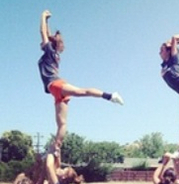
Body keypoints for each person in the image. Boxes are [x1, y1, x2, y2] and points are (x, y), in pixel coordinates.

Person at [38, 10, 124, 152]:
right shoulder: (52, 52)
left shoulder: (49, 51)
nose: (42, 42)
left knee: (81, 91)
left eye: (45, 41)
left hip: (56, 84)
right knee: (62, 124)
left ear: (50, 43)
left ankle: (110, 96)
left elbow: (43, 32)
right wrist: (47, 21)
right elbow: (47, 34)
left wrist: (42, 17)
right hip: (55, 90)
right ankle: (56, 148)